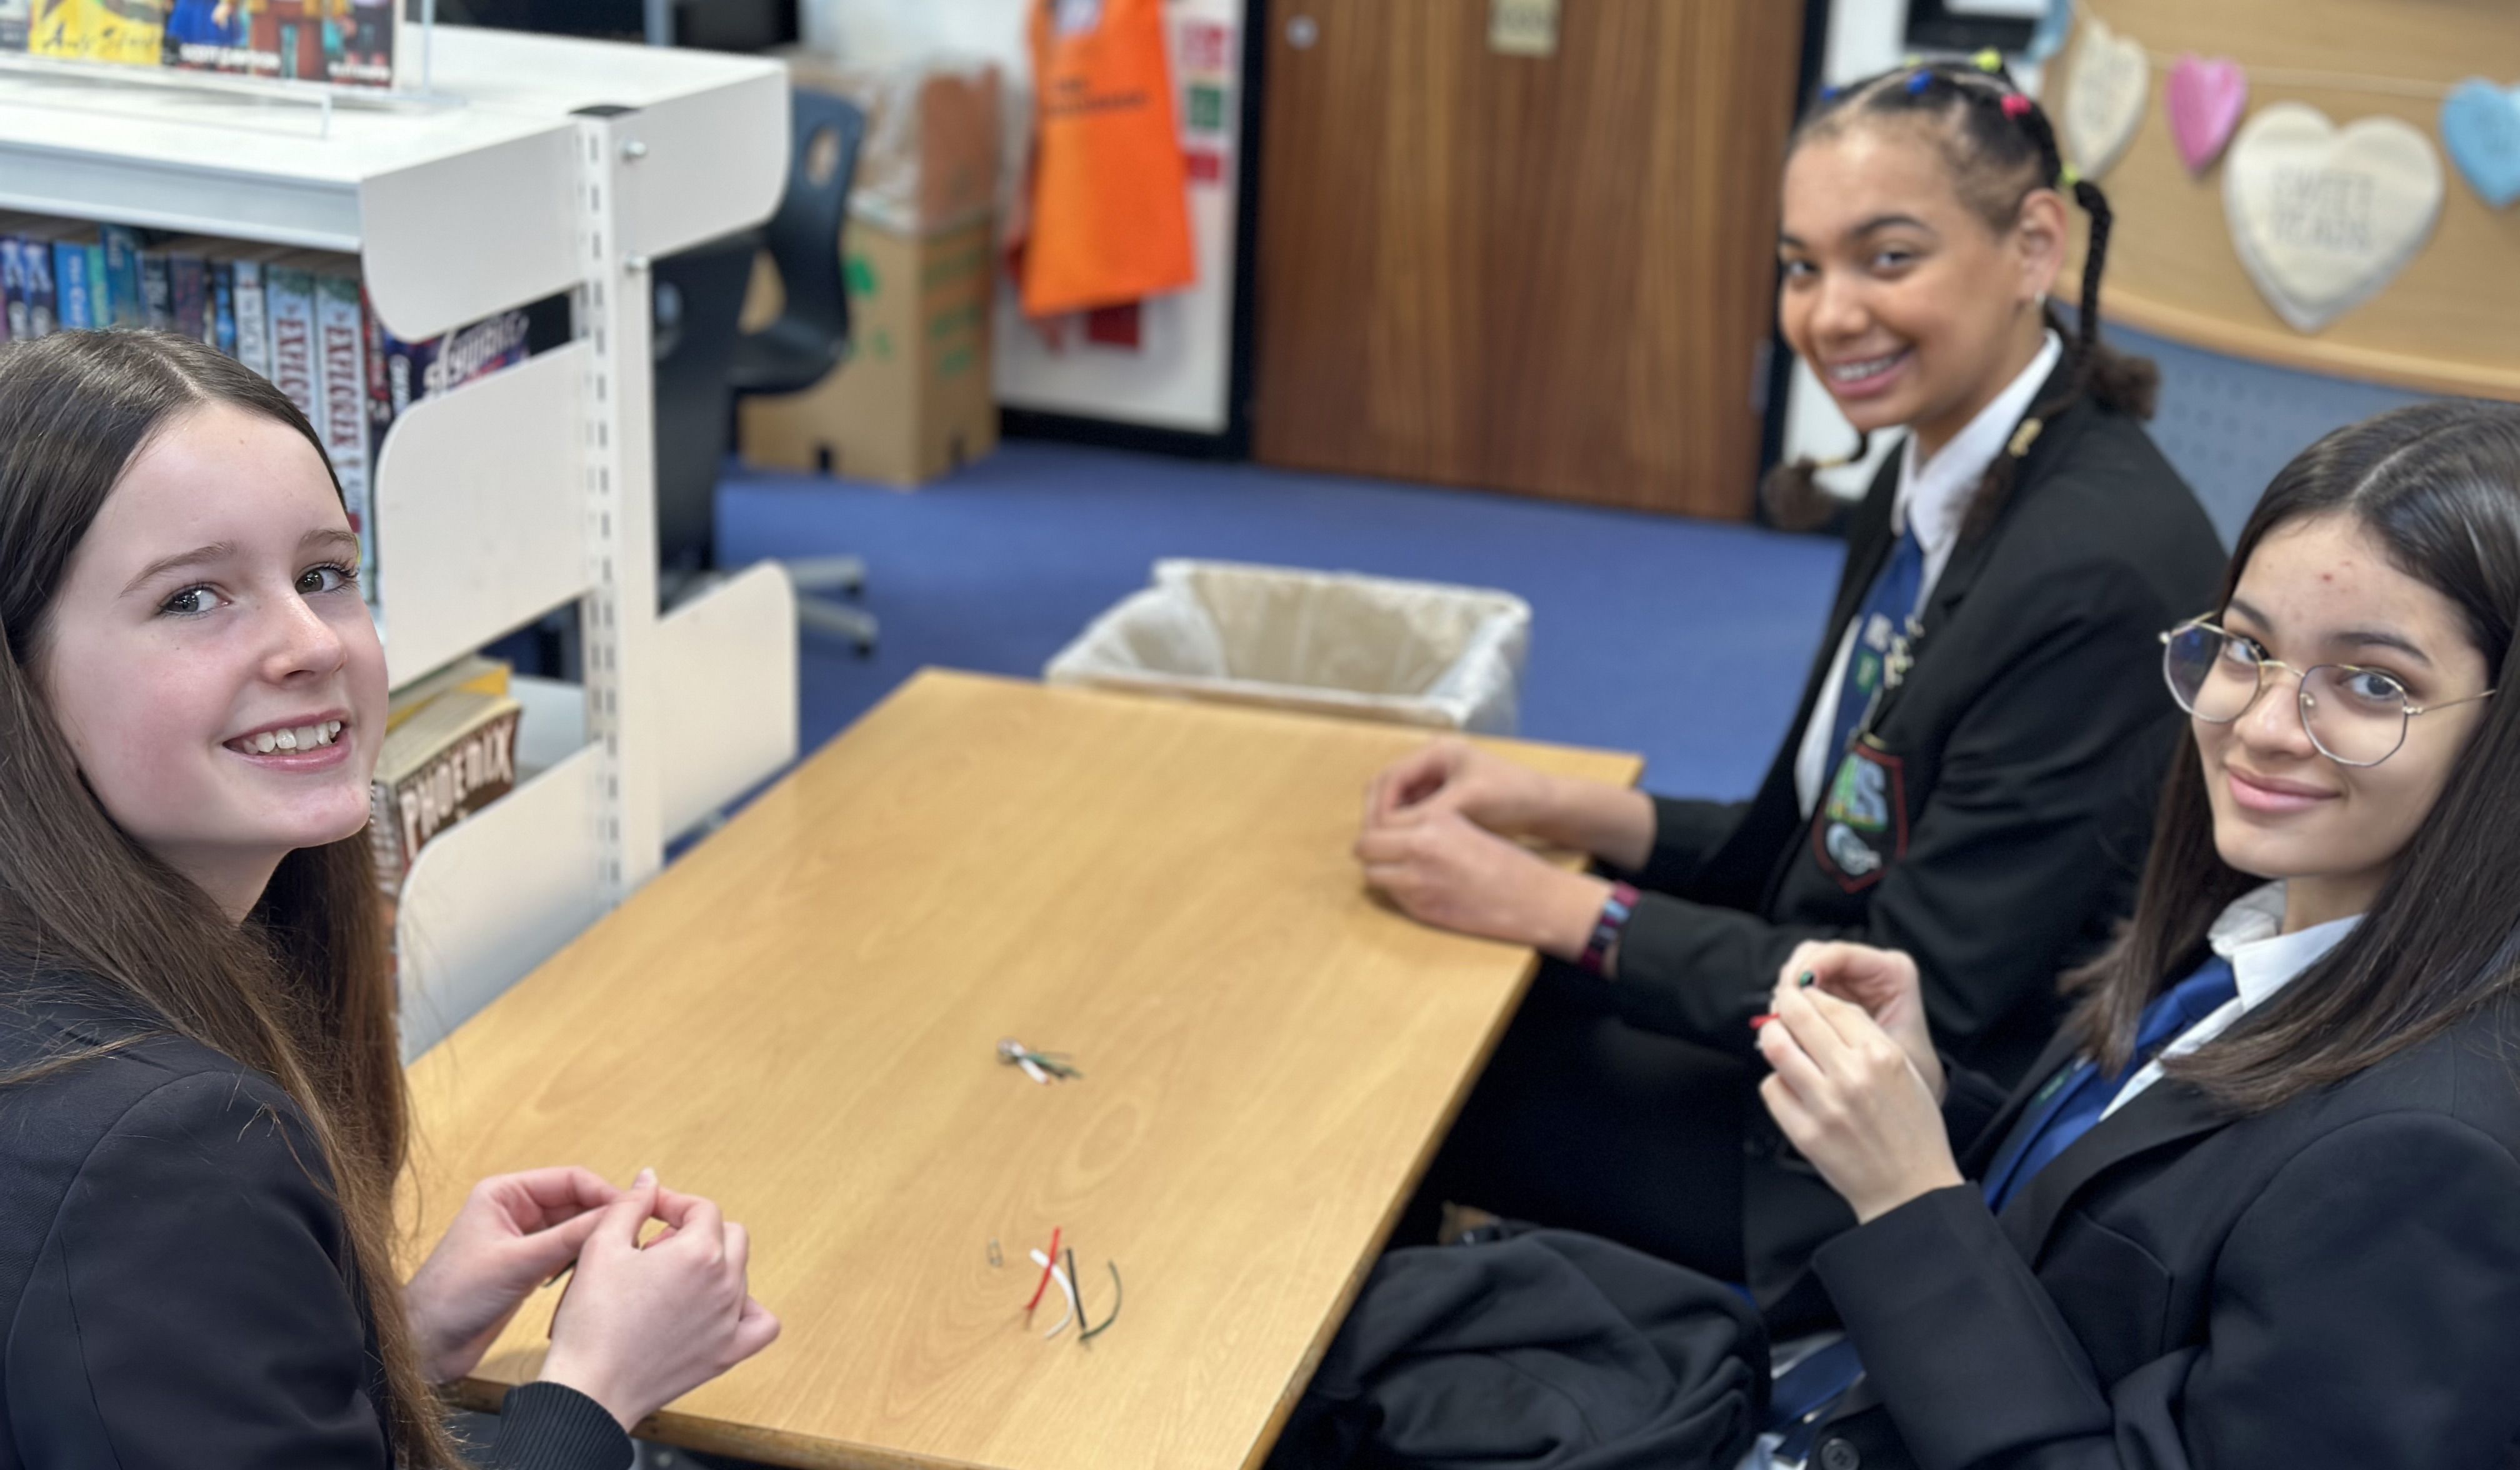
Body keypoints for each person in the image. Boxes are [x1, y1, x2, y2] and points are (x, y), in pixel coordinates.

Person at [1356, 58, 2224, 1319]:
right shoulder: (1937, 467)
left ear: (2035, 244)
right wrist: (1553, 806)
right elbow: (1818, 840)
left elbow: (1903, 997)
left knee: (1435, 1064)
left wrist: (1560, 908)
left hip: (1889, 1156)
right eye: (1802, 266)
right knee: (1463, 982)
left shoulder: (2094, 571)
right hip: (1806, 1039)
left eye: (1887, 258)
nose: (1828, 315)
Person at [0, 329, 778, 1468]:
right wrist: (598, 1390)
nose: (311, 642)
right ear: (25, 686)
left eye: (323, 574)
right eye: (194, 599)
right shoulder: (158, 1152)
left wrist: (379, 1340)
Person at [1754, 399, 2520, 1468]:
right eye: (2247, 647)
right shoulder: (2267, 923)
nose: (2256, 725)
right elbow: (2132, 1230)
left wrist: (1910, 1198)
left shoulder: (2433, 1159)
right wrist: (1929, 1104)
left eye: (2373, 683)